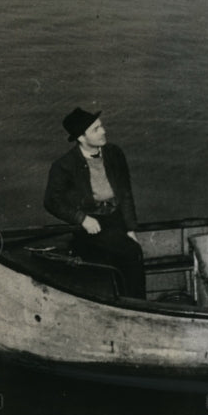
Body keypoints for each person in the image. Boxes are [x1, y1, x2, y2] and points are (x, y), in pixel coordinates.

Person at [44, 107, 146, 299]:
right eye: (96, 129)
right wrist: (81, 219)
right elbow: (51, 201)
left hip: (115, 220)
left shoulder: (114, 153)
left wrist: (130, 228)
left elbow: (125, 194)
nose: (103, 131)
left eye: (101, 126)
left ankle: (136, 304)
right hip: (91, 224)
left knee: (132, 251)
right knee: (130, 253)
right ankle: (131, 303)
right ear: (81, 138)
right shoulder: (64, 165)